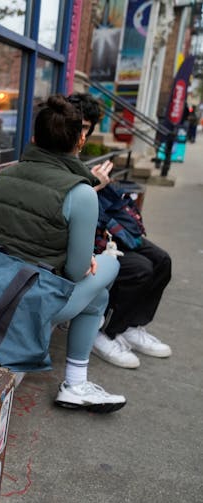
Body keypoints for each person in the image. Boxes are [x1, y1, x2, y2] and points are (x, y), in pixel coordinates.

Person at [0, 94, 125, 413]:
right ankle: (74, 384)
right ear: (81, 139)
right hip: (30, 303)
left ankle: (76, 384)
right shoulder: (81, 192)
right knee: (110, 265)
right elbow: (75, 273)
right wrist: (86, 258)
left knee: (97, 297)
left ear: (34, 138)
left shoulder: (7, 175)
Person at [69, 92, 173, 369]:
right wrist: (94, 185)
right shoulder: (56, 152)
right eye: (78, 127)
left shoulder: (77, 155)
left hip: (105, 230)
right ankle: (104, 332)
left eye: (87, 129)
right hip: (85, 239)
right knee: (139, 268)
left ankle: (130, 326)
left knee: (162, 261)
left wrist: (101, 185)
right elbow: (61, 204)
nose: (82, 135)